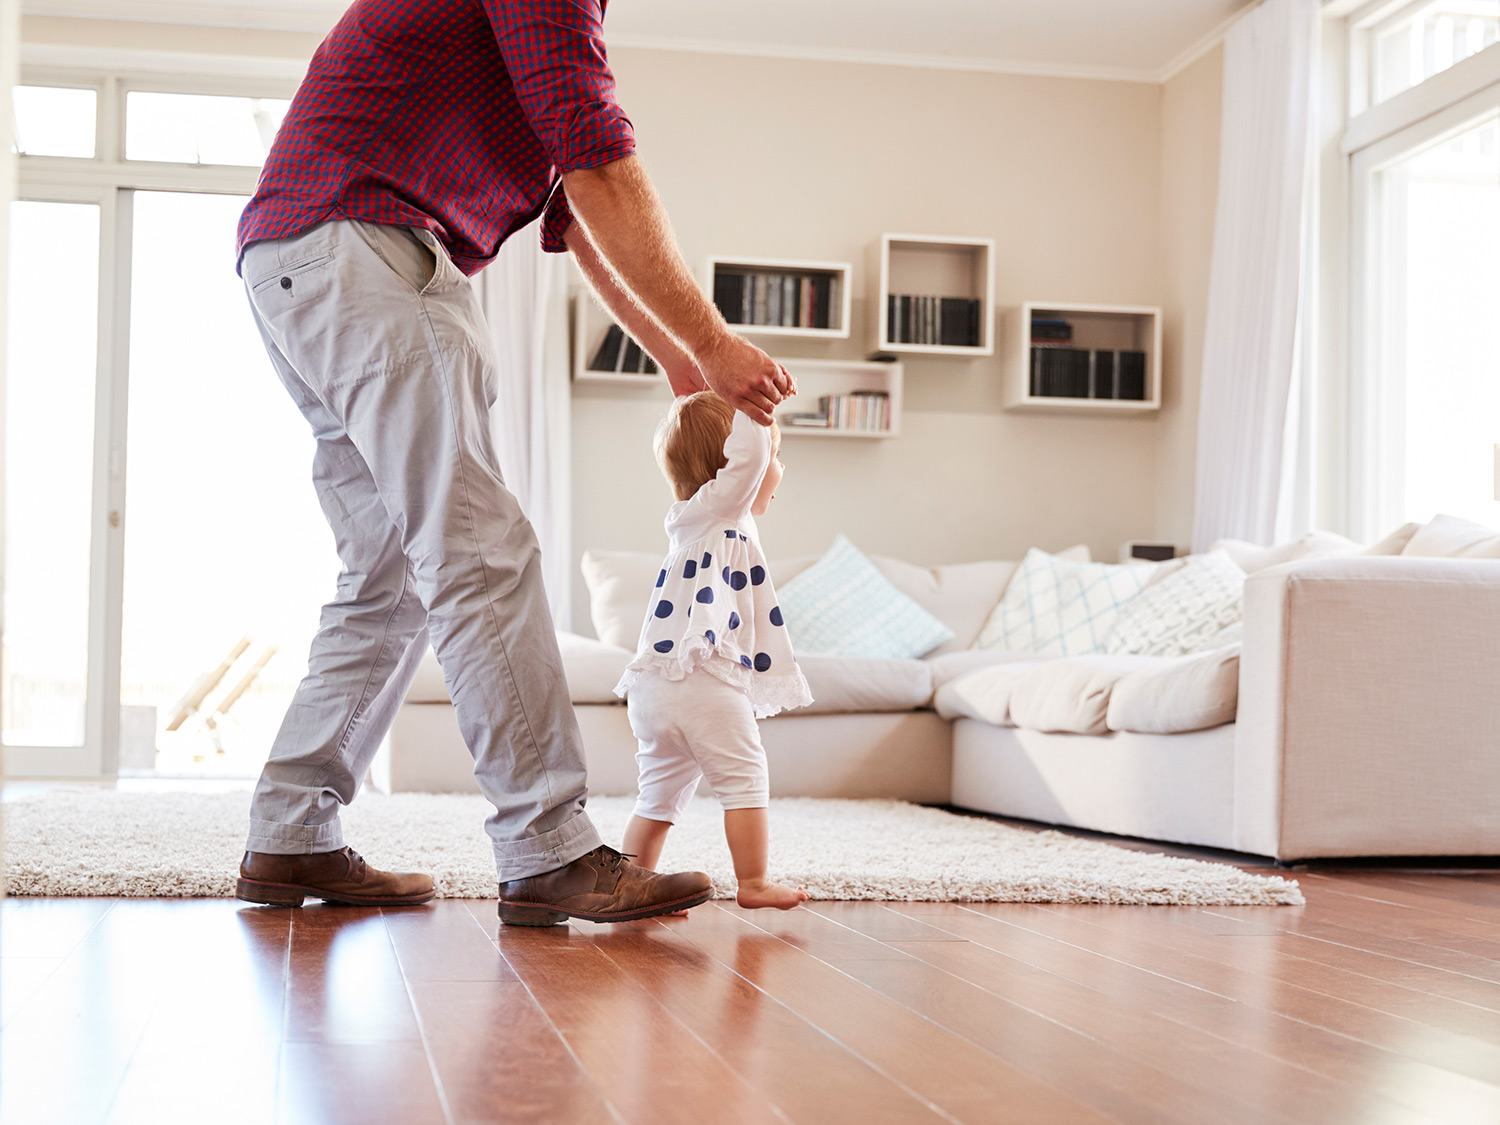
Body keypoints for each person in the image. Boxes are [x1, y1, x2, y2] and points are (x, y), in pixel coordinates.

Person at [230, 0, 794, 925]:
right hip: (368, 245)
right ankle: (548, 848)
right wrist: (717, 340)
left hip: (301, 260)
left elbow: (576, 210)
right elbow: (598, 159)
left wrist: (682, 357)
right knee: (478, 552)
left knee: (389, 574)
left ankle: (291, 832)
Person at [616, 393, 813, 910]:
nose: (779, 468)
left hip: (655, 688)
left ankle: (630, 887)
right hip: (702, 683)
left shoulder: (691, 522)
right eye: (775, 456)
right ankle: (753, 884)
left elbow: (746, 458)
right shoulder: (723, 508)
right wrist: (755, 399)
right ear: (737, 470)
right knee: (746, 779)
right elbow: (748, 456)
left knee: (656, 799)